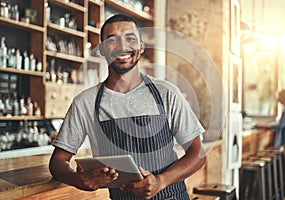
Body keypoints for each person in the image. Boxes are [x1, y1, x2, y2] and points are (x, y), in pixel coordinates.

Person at [49, 14, 206, 200]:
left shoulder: (167, 93)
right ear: (102, 50)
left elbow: (198, 153)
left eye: (130, 38)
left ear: (141, 46)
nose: (122, 46)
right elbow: (58, 162)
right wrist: (78, 179)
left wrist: (160, 181)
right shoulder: (85, 102)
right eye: (112, 40)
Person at [256, 89, 285, 200]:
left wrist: (262, 125)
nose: (278, 100)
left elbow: (280, 125)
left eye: (280, 98)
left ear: (284, 98)